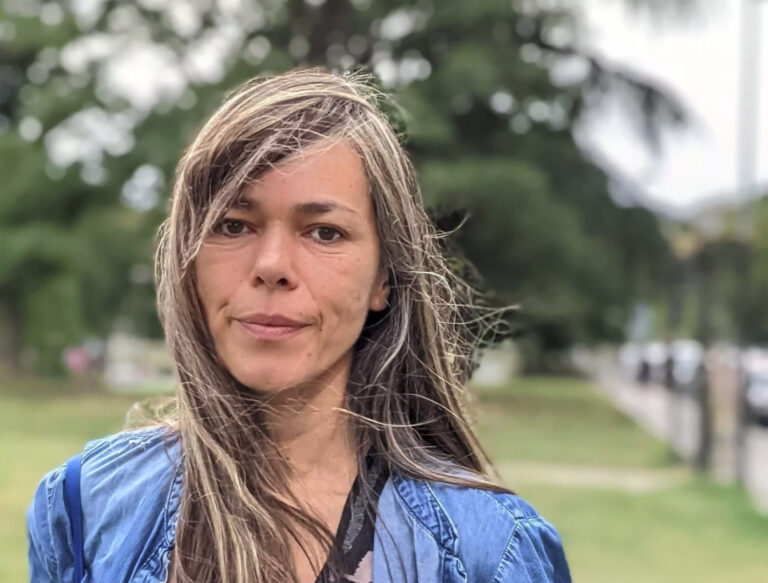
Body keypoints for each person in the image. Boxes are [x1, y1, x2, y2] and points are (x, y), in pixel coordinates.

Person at [27, 67, 572, 583]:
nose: (271, 266)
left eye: (324, 232)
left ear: (383, 276)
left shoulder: (490, 552)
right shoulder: (83, 506)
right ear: (187, 260)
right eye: (234, 224)